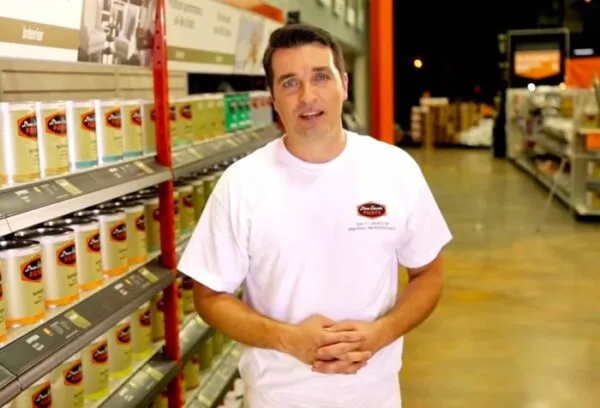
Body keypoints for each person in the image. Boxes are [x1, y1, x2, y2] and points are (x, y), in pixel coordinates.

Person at [178, 23, 452, 408]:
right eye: (289, 83)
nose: (307, 96)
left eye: (320, 77)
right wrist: (288, 339)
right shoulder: (242, 184)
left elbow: (429, 275)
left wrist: (382, 332)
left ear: (343, 83)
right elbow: (208, 296)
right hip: (277, 398)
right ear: (273, 97)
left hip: (374, 395)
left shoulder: (394, 169)